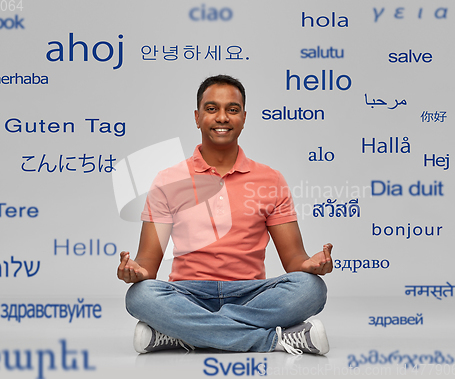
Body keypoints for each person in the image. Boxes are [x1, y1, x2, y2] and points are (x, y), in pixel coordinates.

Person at [117, 74, 333, 355]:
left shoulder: (271, 180)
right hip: (188, 294)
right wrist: (136, 271)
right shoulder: (168, 180)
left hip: (251, 295)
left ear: (244, 117)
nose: (222, 117)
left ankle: (180, 333)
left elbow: (294, 260)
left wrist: (311, 265)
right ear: (197, 117)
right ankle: (273, 341)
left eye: (232, 109)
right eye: (211, 109)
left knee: (311, 289)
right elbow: (149, 262)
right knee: (140, 296)